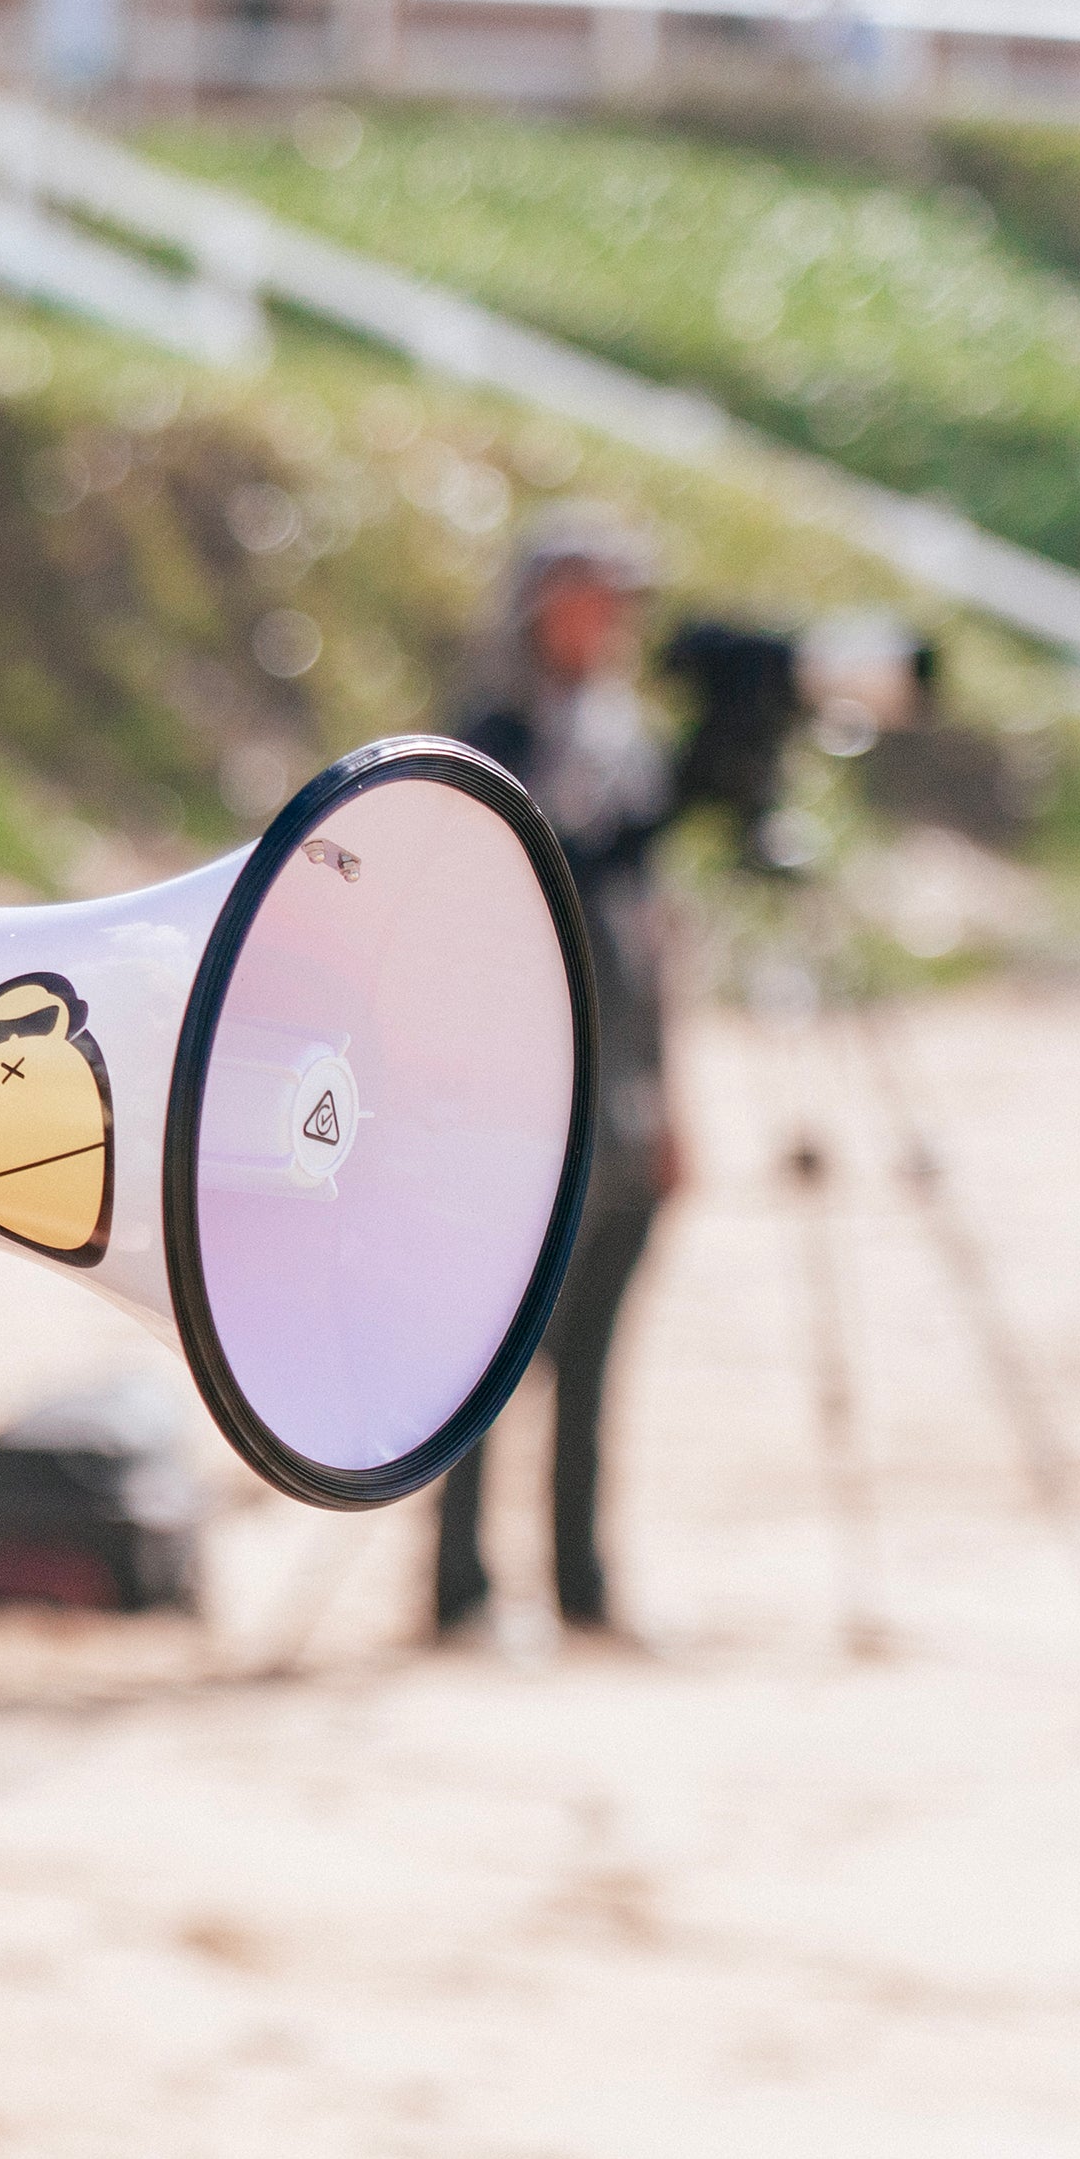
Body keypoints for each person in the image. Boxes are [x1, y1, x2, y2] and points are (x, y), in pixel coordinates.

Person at [431, 505, 680, 1647]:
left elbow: (650, 930)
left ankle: (582, 1588)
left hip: (624, 1077)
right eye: (593, 592)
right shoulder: (488, 740)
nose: (612, 619)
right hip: (512, 1095)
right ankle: (462, 1592)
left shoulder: (629, 741)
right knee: (490, 1354)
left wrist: (673, 1094)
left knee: (595, 1361)